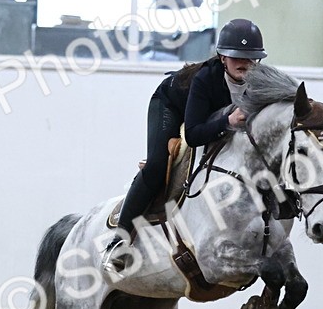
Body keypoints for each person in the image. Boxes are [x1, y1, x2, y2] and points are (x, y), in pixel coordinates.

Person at [101, 18, 267, 273]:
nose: (244, 63)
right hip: (171, 105)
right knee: (157, 167)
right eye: (237, 57)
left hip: (205, 118)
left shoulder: (260, 83)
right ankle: (119, 241)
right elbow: (193, 134)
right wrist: (228, 120)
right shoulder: (205, 79)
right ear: (222, 57)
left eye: (250, 57)